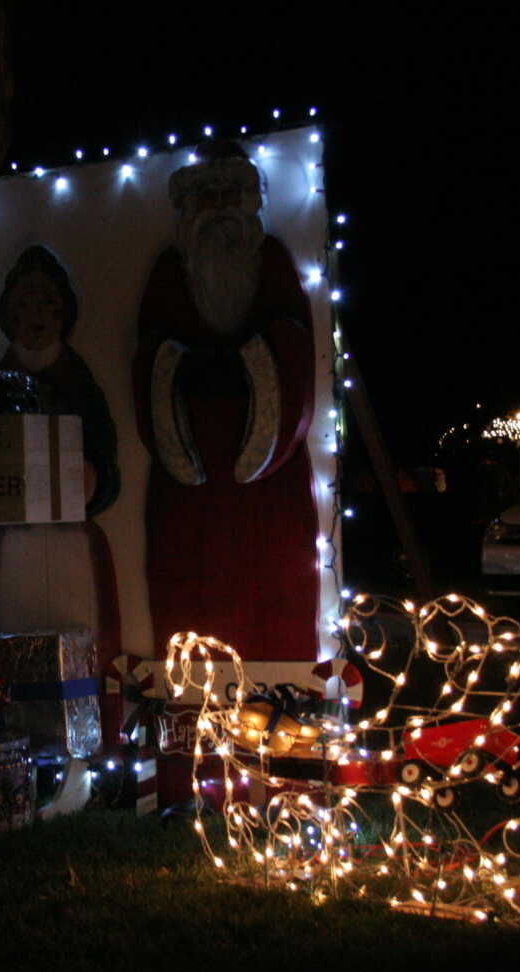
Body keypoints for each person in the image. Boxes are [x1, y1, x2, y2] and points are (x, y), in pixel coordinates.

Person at [133, 140, 319, 662]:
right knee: (187, 596)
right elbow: (150, 354)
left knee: (276, 587)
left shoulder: (272, 262)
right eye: (205, 195)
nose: (217, 206)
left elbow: (294, 348)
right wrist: (184, 368)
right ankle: (187, 701)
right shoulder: (171, 271)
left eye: (228, 193)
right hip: (187, 478)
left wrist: (249, 365)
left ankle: (281, 701)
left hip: (268, 477)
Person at [0, 246, 123, 729]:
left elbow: (103, 449)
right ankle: (17, 729)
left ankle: (87, 736)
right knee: (13, 635)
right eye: (24, 305)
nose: (36, 316)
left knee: (81, 636)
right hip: (17, 540)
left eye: (47, 304)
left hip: (70, 541)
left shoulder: (78, 382)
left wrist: (89, 479)